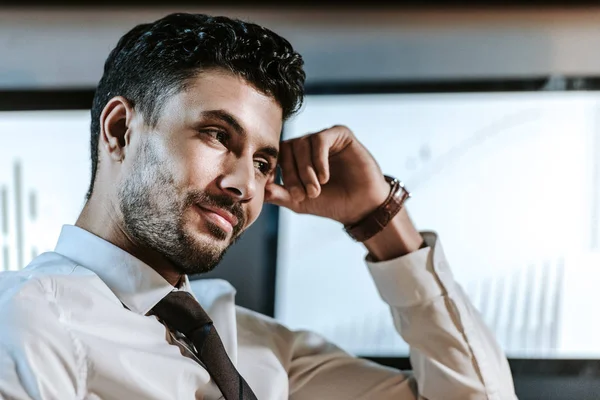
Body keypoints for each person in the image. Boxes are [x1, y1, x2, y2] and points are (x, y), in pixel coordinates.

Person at [0, 12, 516, 400]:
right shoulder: (28, 318)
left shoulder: (251, 345)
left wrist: (378, 217)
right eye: (217, 135)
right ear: (120, 130)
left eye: (264, 163)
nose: (244, 184)